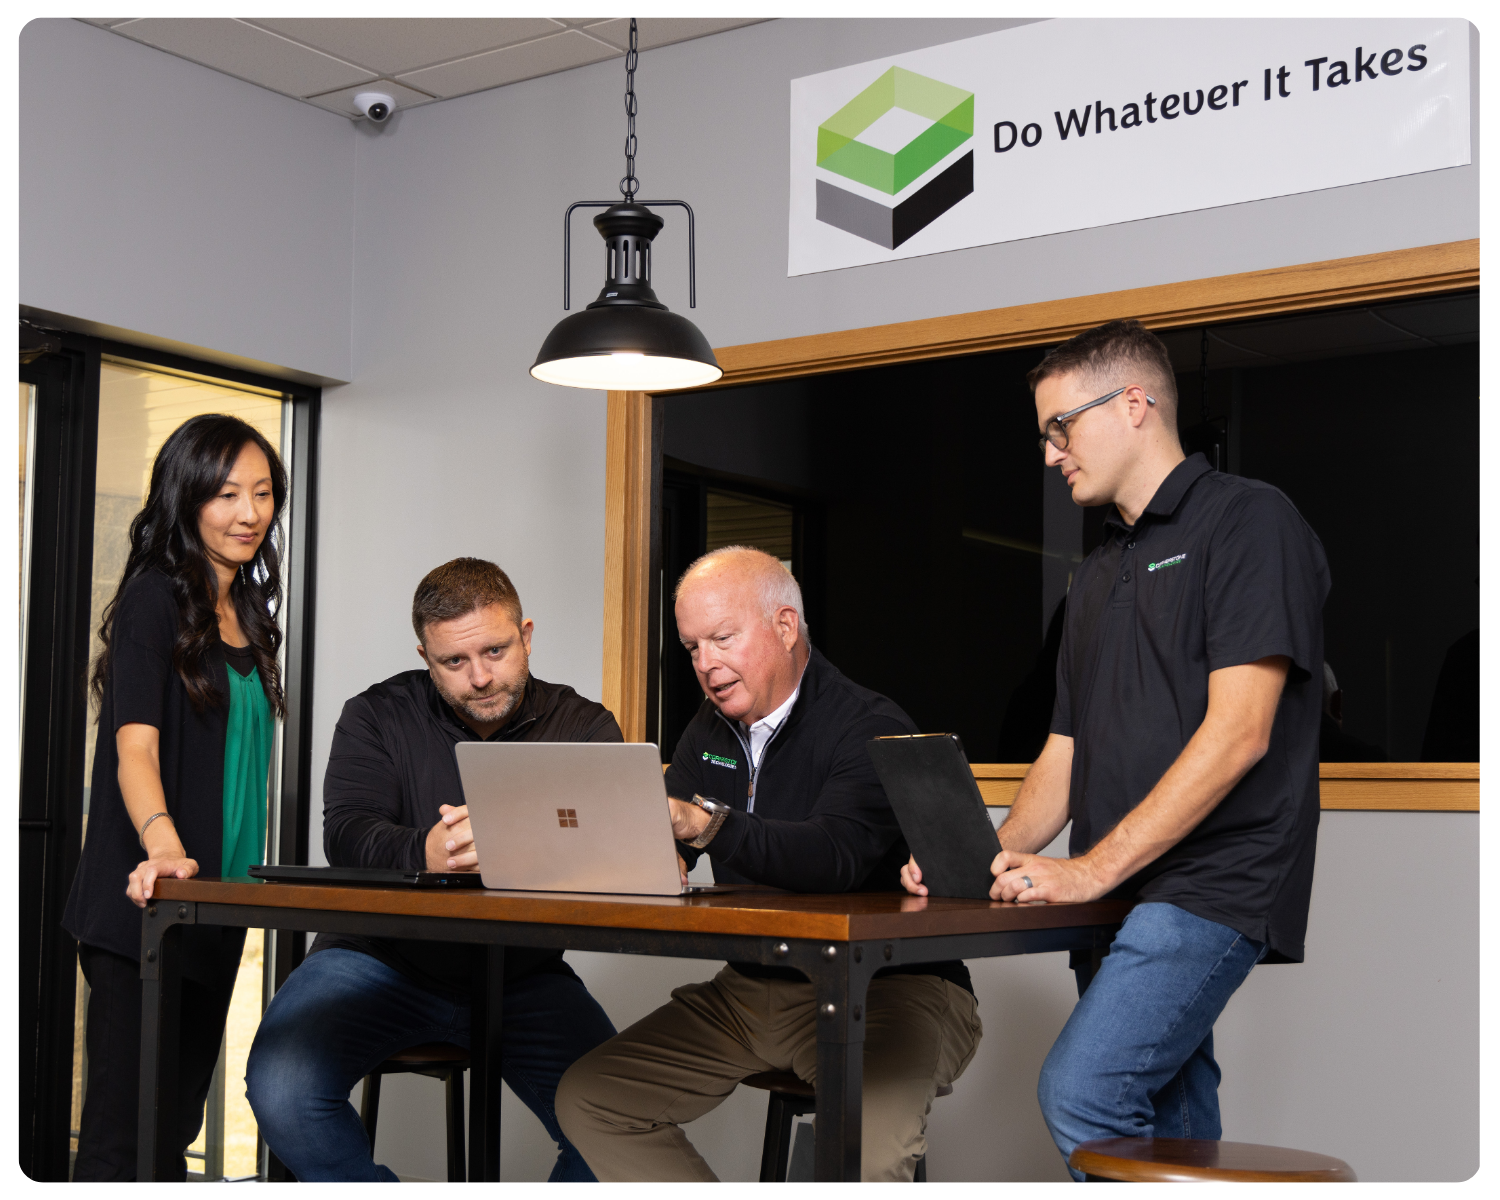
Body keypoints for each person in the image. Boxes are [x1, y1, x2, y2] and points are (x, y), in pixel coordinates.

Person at [902, 320, 1328, 1179]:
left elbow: (1241, 731)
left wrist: (1091, 868)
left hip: (1212, 883)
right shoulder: (1095, 575)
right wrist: (986, 855)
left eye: (1061, 427)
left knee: (1082, 1091)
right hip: (1116, 896)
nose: (1050, 453)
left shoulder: (1249, 521)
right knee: (1168, 1126)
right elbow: (1065, 745)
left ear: (1134, 404)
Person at [556, 547, 982, 1183]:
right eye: (692, 647)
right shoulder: (708, 730)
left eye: (722, 638)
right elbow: (679, 841)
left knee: (866, 1151)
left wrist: (704, 824)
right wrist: (652, 851)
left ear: (785, 627)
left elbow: (832, 857)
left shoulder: (869, 725)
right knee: (592, 1098)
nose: (705, 664)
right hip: (753, 986)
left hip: (888, 989)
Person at [245, 558, 620, 1182]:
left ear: (526, 636)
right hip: (377, 960)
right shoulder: (375, 715)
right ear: (425, 655)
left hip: (521, 973)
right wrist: (425, 852)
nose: (480, 678)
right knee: (283, 1091)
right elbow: (347, 832)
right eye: (454, 662)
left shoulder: (584, 725)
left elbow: (611, 845)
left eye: (497, 651)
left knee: (621, 1118)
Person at [63, 415, 287, 1181]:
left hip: (216, 910)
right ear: (187, 498)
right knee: (124, 1139)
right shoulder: (154, 598)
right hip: (149, 903)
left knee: (175, 1122)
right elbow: (135, 748)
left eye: (261, 492)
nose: (248, 512)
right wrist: (163, 845)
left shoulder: (249, 616)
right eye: (226, 494)